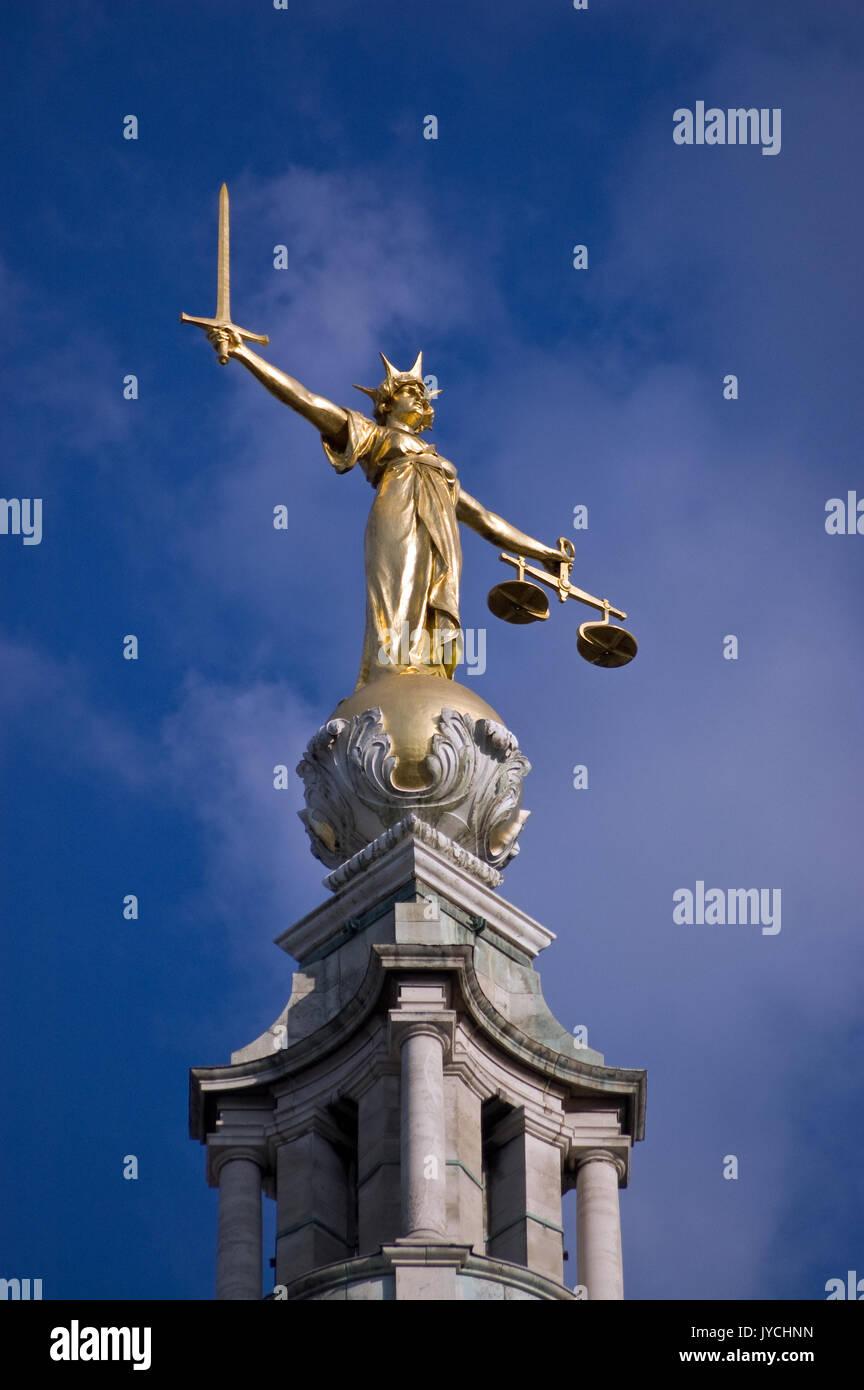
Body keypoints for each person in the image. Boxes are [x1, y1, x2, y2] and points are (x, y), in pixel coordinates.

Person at [208, 330, 569, 689]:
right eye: (408, 392)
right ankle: (390, 678)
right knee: (398, 596)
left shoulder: (439, 465)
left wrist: (544, 553)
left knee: (431, 602)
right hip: (398, 520)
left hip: (440, 537)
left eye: (421, 394)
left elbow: (487, 521)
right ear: (387, 403)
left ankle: (426, 676)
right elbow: (307, 401)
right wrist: (244, 354)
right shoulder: (374, 435)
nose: (418, 398)